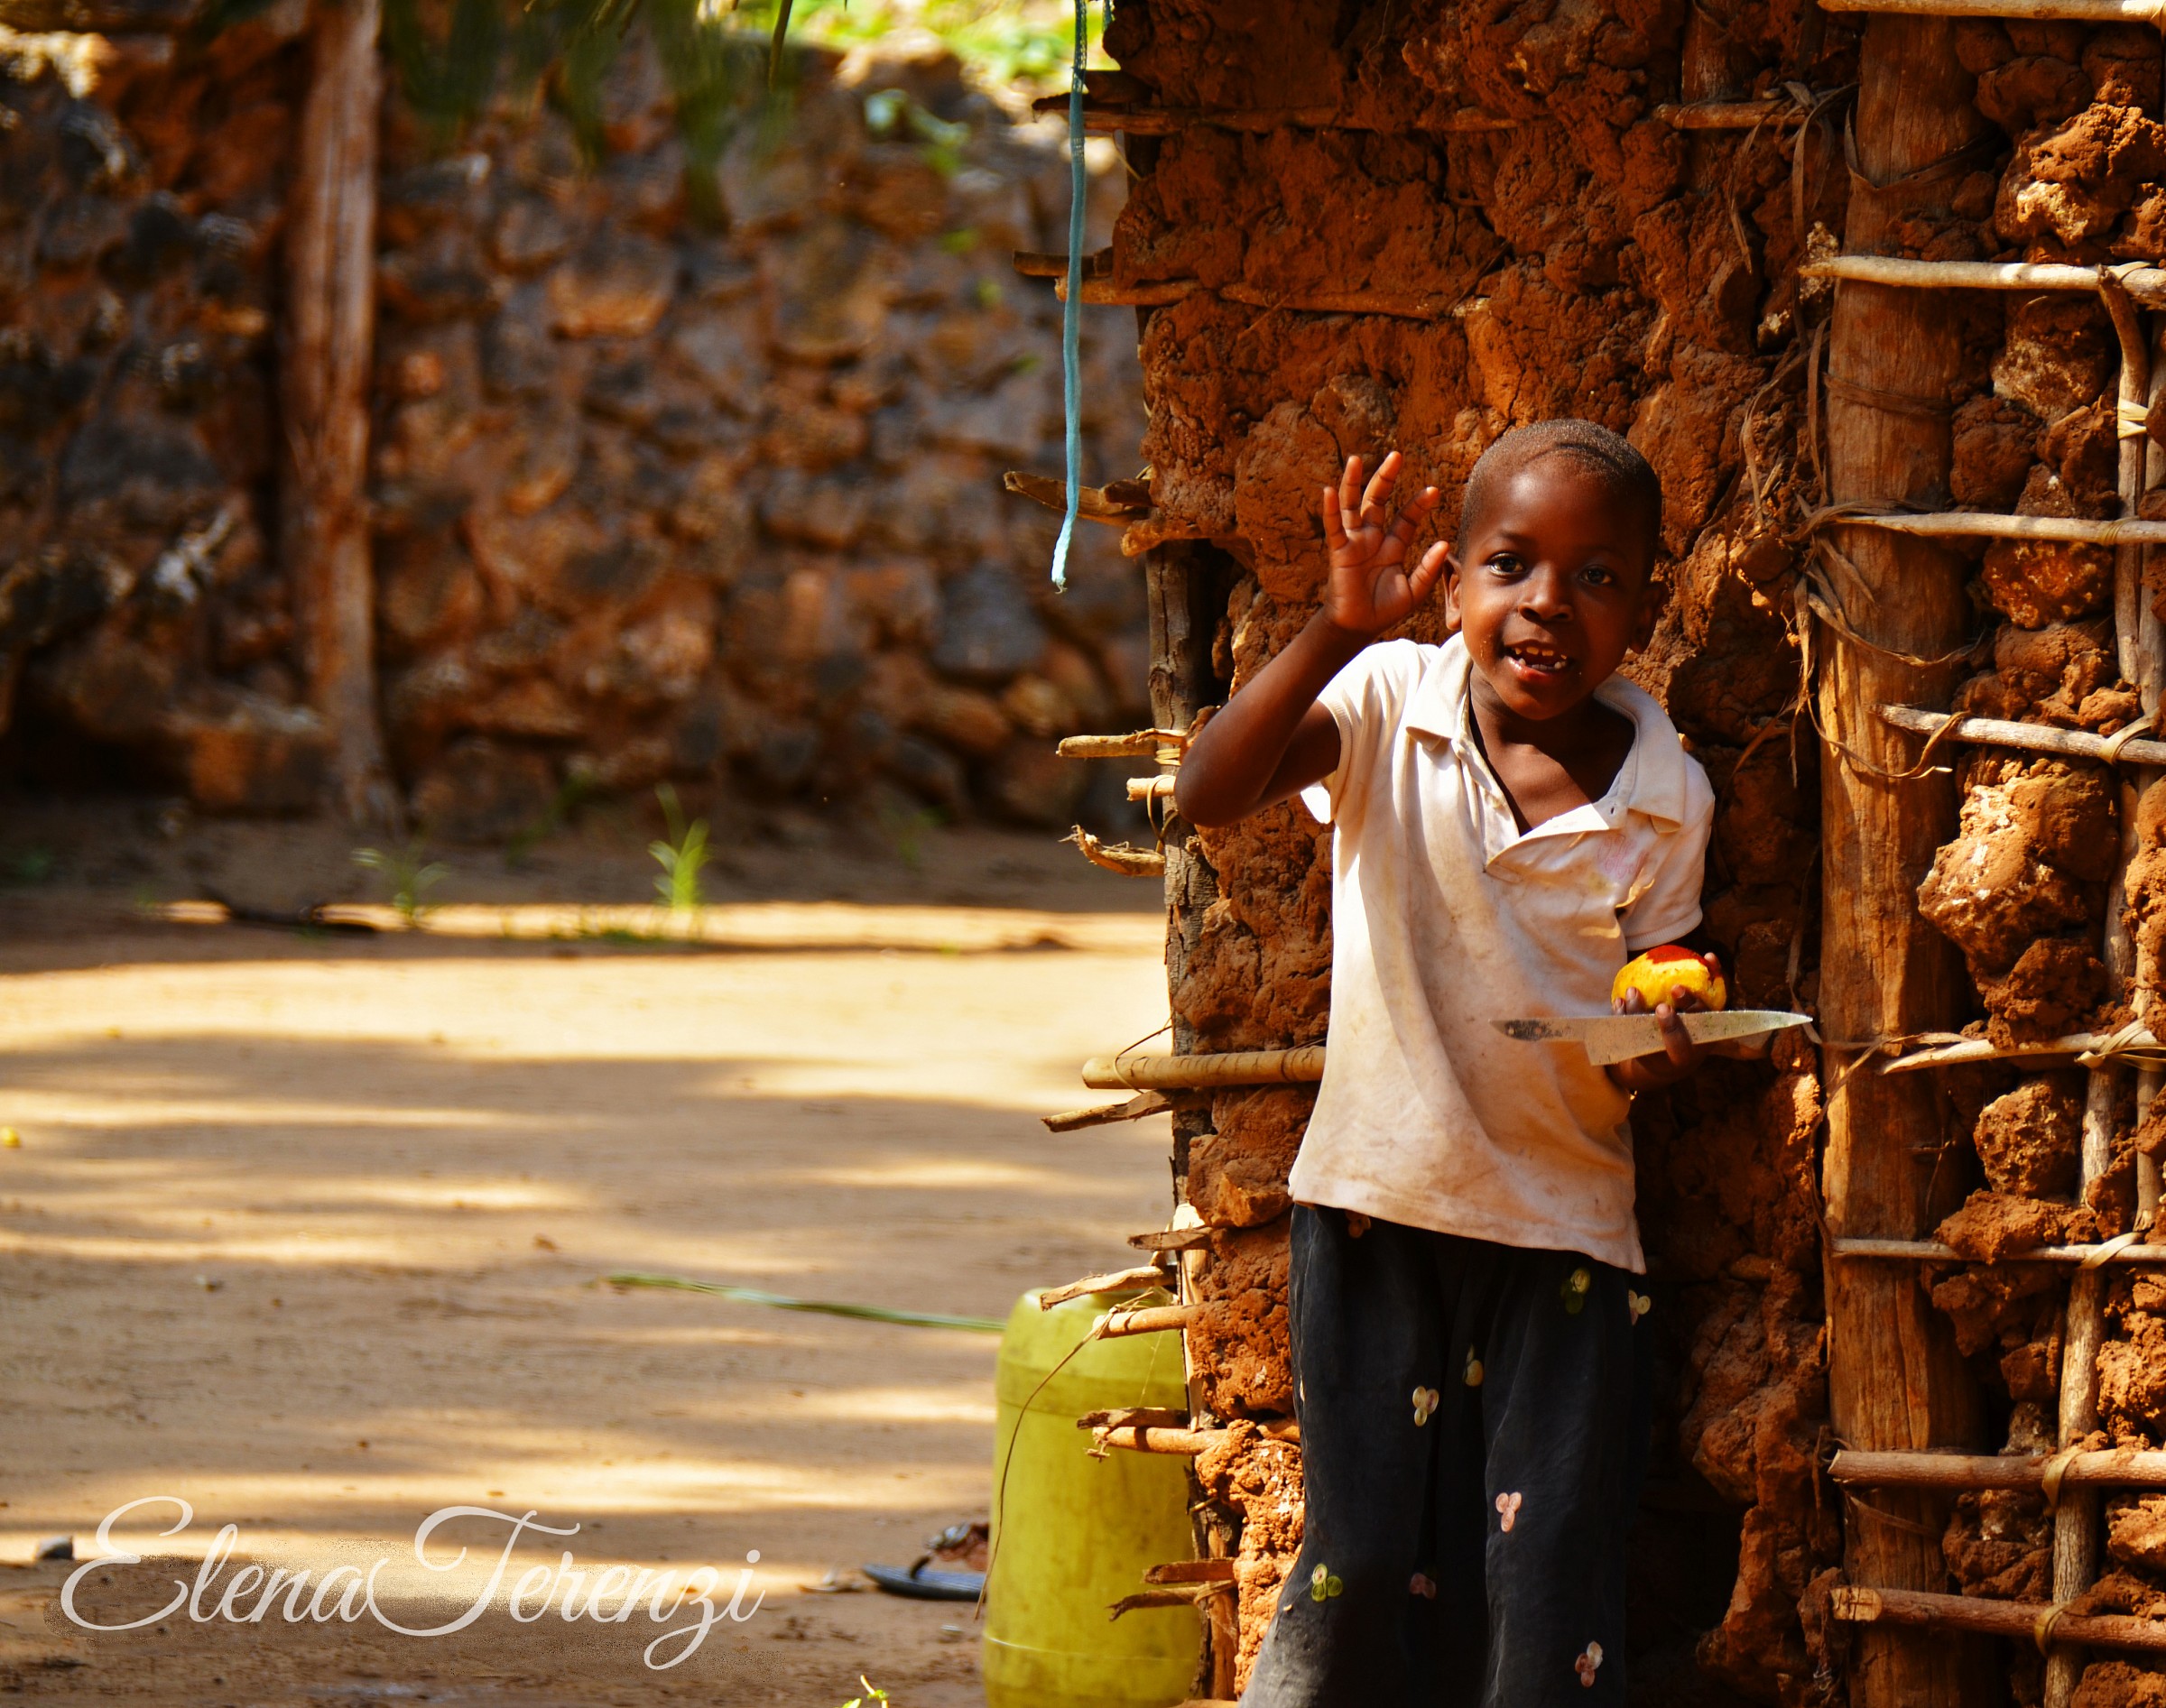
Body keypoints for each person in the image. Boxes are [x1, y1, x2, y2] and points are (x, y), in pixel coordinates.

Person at [1174, 420, 1722, 1705]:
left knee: (1546, 1592)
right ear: (1458, 580)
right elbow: (1209, 788)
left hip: (1569, 1236)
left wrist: (1659, 1051)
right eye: (1512, 565)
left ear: (1645, 600)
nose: (1547, 605)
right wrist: (1338, 627)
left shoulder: (1665, 796)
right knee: (1358, 1563)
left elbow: (1663, 981)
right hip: (1379, 1209)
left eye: (1597, 576)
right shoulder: (1387, 703)